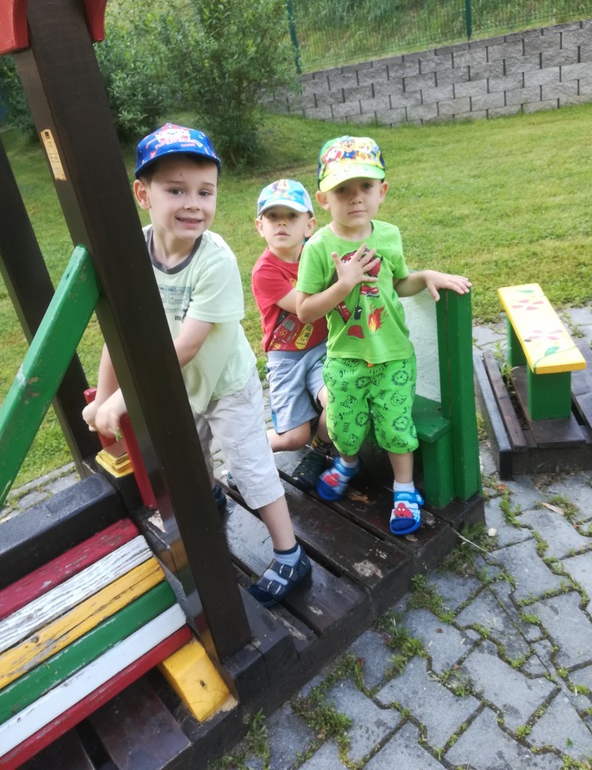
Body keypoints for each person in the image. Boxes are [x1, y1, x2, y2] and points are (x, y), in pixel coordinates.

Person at [82, 123, 310, 607]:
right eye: (176, 190)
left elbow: (185, 346)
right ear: (143, 194)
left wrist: (124, 399)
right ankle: (212, 498)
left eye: (205, 192)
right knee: (191, 452)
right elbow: (119, 334)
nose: (193, 204)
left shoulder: (215, 260)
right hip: (178, 384)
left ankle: (290, 554)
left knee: (249, 466)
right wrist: (102, 397)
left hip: (226, 385)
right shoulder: (135, 253)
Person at [295, 135, 471, 536]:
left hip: (393, 355)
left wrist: (425, 277)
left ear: (382, 191)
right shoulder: (318, 247)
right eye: (342, 189)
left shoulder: (388, 235)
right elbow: (305, 311)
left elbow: (399, 283)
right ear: (324, 199)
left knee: (395, 427)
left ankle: (404, 489)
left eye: (366, 186)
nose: (356, 197)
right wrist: (344, 284)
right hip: (346, 357)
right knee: (342, 427)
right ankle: (348, 462)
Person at [252, 179, 333, 491]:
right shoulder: (265, 271)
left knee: (337, 402)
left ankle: (320, 450)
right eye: (273, 216)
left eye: (291, 215)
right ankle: (247, 452)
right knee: (293, 437)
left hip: (321, 349)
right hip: (285, 358)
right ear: (260, 226)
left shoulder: (317, 255)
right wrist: (343, 284)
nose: (282, 222)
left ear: (309, 225)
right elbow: (305, 309)